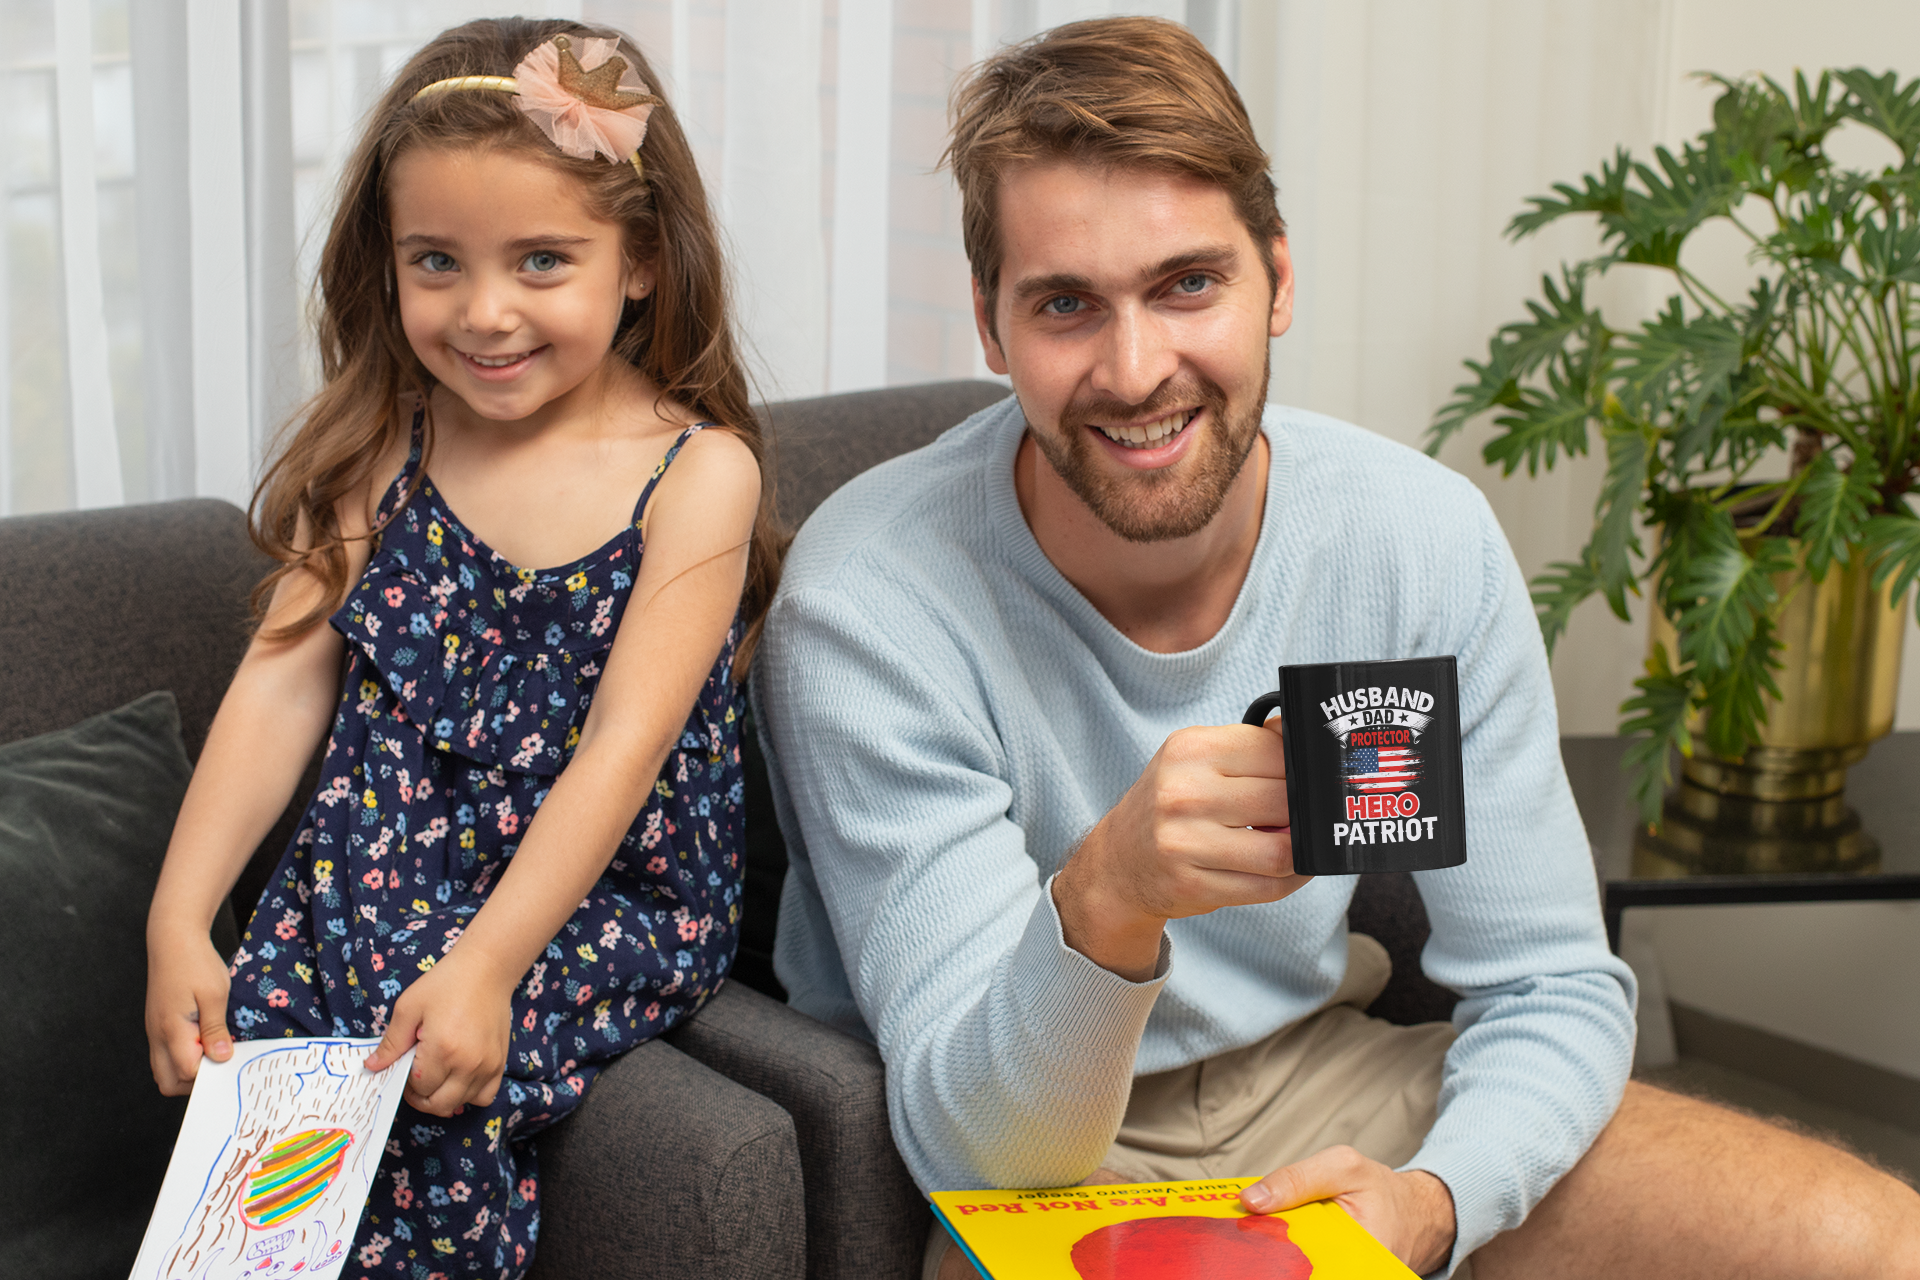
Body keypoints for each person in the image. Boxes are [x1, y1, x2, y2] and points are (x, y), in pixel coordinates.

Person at [754, 17, 1920, 1280]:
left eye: (1189, 283)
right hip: (1038, 1150)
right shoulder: (869, 596)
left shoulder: (1415, 540)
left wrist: (1434, 1199)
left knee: (1870, 1240)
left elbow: (1551, 990)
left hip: (1336, 1083)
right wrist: (1107, 899)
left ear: (1279, 279)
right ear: (991, 326)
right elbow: (982, 1151)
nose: (1137, 369)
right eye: (1067, 305)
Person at [143, 18, 776, 1279]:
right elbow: (280, 680)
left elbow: (623, 749)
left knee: (431, 1078)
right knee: (266, 1052)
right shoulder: (390, 446)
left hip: (595, 896)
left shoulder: (699, 475)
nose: (486, 313)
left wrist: (487, 962)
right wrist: (178, 910)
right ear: (390, 264)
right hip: (379, 869)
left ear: (640, 259)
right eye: (439, 262)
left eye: (543, 260)